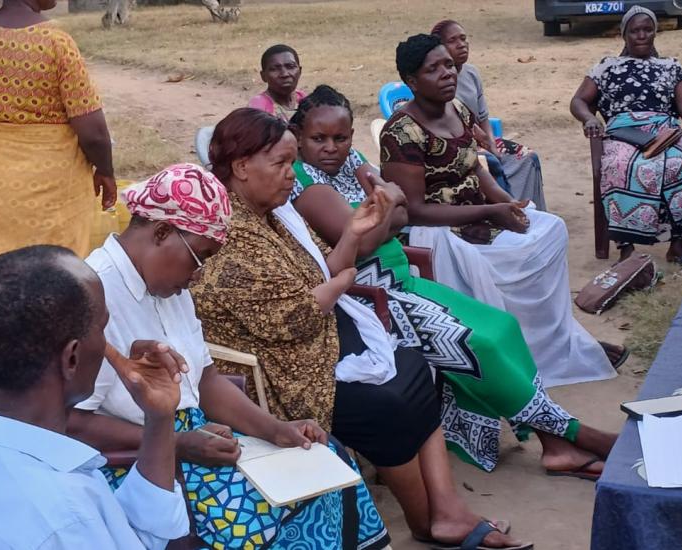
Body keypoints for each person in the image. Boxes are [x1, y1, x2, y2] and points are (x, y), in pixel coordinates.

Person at [193, 108, 531, 550]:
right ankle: (424, 521)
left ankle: (447, 511)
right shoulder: (228, 232)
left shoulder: (275, 214)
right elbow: (297, 316)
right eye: (280, 164)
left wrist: (353, 234)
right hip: (275, 368)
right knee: (383, 404)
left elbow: (323, 272)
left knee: (412, 364)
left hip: (316, 335)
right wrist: (341, 282)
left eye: (292, 163)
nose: (291, 174)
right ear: (241, 167)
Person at [290, 84, 617, 478]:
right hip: (368, 297)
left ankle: (555, 445)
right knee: (478, 343)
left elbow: (402, 214)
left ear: (351, 136)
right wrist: (386, 208)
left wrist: (384, 214)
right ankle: (575, 434)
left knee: (502, 326)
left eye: (340, 138)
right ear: (299, 137)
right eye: (319, 138)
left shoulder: (352, 161)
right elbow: (364, 240)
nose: (331, 147)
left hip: (401, 281)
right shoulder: (306, 184)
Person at [66, 163, 389, 550]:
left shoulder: (170, 289)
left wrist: (275, 429)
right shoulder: (94, 296)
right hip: (137, 462)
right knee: (263, 518)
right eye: (199, 257)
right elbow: (71, 422)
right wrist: (175, 441)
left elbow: (205, 380)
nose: (199, 275)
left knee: (328, 461)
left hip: (194, 438)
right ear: (162, 232)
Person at [380, 33, 623, 387]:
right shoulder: (401, 132)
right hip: (437, 231)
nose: (447, 73)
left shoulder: (458, 110)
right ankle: (517, 352)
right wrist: (490, 211)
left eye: (449, 64)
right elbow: (414, 210)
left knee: (551, 230)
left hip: (478, 213)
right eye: (434, 69)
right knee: (517, 253)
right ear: (412, 82)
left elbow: (475, 169)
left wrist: (506, 203)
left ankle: (554, 342)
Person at [0, 245, 190, 548]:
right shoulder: (64, 521)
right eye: (102, 329)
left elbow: (136, 533)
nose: (108, 346)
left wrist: (159, 419)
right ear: (72, 358)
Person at [0, 0, 116, 262]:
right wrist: (105, 171)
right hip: (53, 183)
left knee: (3, 271)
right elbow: (93, 132)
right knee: (57, 272)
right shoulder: (56, 42)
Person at [570, 5, 682, 263]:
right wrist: (589, 118)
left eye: (647, 30)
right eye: (635, 31)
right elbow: (578, 101)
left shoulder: (672, 67)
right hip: (623, 132)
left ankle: (677, 244)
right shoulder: (607, 66)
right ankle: (627, 248)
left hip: (665, 131)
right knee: (620, 164)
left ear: (655, 32)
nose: (641, 35)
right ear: (624, 34)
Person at [431, 19, 546, 210]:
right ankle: (508, 210)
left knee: (528, 158)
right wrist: (483, 144)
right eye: (452, 40)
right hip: (457, 144)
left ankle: (532, 211)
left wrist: (491, 144)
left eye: (463, 38)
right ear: (440, 47)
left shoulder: (471, 73)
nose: (461, 44)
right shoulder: (438, 80)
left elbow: (483, 116)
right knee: (489, 162)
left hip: (481, 141)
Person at [248, 44, 307, 123]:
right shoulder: (258, 108)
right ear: (263, 76)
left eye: (290, 66)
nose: (285, 74)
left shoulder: (304, 100)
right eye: (274, 69)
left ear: (300, 71)